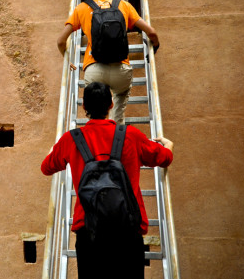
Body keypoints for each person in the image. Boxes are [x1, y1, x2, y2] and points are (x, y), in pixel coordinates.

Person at [41, 82, 174, 279]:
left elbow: (46, 167)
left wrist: (54, 149)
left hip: (89, 231)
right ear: (111, 105)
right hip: (127, 230)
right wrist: (168, 145)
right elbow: (164, 158)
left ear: (84, 107)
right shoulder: (131, 135)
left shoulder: (71, 139)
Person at [57, 0, 159, 125]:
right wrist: (155, 48)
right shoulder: (124, 5)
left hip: (94, 69)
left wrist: (68, 60)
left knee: (95, 109)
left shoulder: (82, 8)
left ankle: (95, 135)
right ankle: (117, 127)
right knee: (120, 96)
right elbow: (151, 33)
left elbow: (61, 41)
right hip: (121, 69)